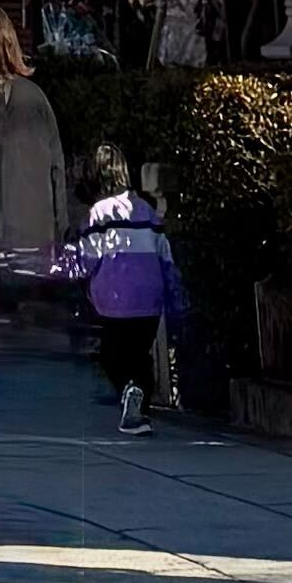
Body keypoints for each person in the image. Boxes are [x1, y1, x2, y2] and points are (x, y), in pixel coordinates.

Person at [77, 153, 183, 434]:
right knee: (140, 355)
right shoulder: (147, 211)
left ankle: (130, 392)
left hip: (114, 300)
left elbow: (88, 259)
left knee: (113, 356)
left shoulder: (99, 214)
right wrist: (173, 291)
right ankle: (139, 412)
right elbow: (165, 254)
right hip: (149, 299)